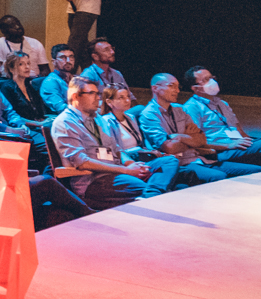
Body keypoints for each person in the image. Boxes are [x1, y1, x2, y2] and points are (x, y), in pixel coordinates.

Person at [50, 76, 175, 208]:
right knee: (156, 188)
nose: (98, 97)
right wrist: (126, 171)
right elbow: (82, 163)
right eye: (92, 93)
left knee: (169, 161)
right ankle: (152, 194)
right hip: (94, 180)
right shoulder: (65, 122)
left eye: (98, 93)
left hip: (118, 172)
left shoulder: (98, 119)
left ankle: (150, 195)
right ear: (75, 97)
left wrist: (132, 164)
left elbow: (116, 149)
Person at [137, 74, 261, 179]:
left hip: (200, 158)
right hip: (180, 164)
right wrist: (190, 139)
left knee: (258, 171)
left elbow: (201, 140)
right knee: (218, 177)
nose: (177, 90)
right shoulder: (149, 115)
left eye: (177, 86)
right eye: (171, 86)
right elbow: (170, 148)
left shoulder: (180, 110)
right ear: (155, 88)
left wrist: (179, 137)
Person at [180, 68, 261, 169]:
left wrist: (251, 143)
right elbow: (195, 142)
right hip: (220, 151)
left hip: (237, 145)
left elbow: (239, 131)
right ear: (195, 88)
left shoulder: (222, 104)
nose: (212, 82)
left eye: (212, 78)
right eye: (206, 80)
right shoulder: (192, 108)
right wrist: (229, 145)